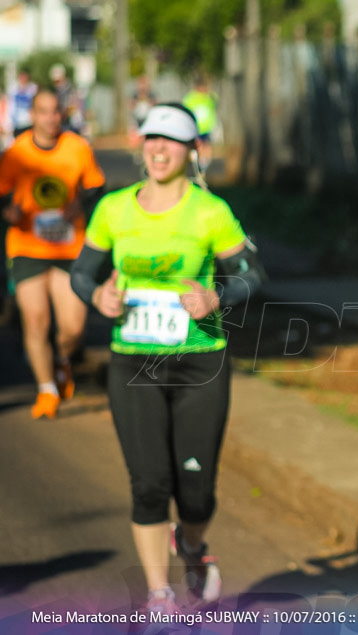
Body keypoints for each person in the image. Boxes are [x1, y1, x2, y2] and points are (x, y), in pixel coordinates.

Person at [70, 102, 265, 615]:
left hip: (199, 361)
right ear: (142, 146)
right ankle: (159, 595)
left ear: (190, 150)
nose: (159, 149)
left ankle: (195, 546)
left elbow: (251, 274)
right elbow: (81, 274)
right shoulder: (113, 209)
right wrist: (97, 298)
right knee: (149, 483)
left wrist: (215, 298)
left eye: (171, 140)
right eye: (151, 139)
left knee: (196, 491)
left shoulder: (210, 212)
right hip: (133, 362)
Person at [0, 89, 105, 419]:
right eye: (43, 111)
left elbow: (96, 187)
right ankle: (46, 390)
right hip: (28, 247)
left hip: (69, 248)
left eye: (55, 111)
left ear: (63, 113)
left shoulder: (77, 148)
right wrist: (9, 213)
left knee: (72, 329)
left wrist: (80, 204)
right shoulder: (16, 152)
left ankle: (62, 361)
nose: (50, 117)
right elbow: (2, 195)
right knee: (36, 320)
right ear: (32, 115)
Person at [182, 78, 218, 171]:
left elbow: (215, 100)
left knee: (206, 145)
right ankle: (198, 162)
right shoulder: (191, 97)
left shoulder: (208, 97)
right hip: (196, 127)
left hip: (206, 127)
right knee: (198, 145)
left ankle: (205, 162)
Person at [8, 68, 38, 140]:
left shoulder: (33, 88)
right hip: (17, 123)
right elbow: (10, 105)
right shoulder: (13, 88)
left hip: (29, 122)